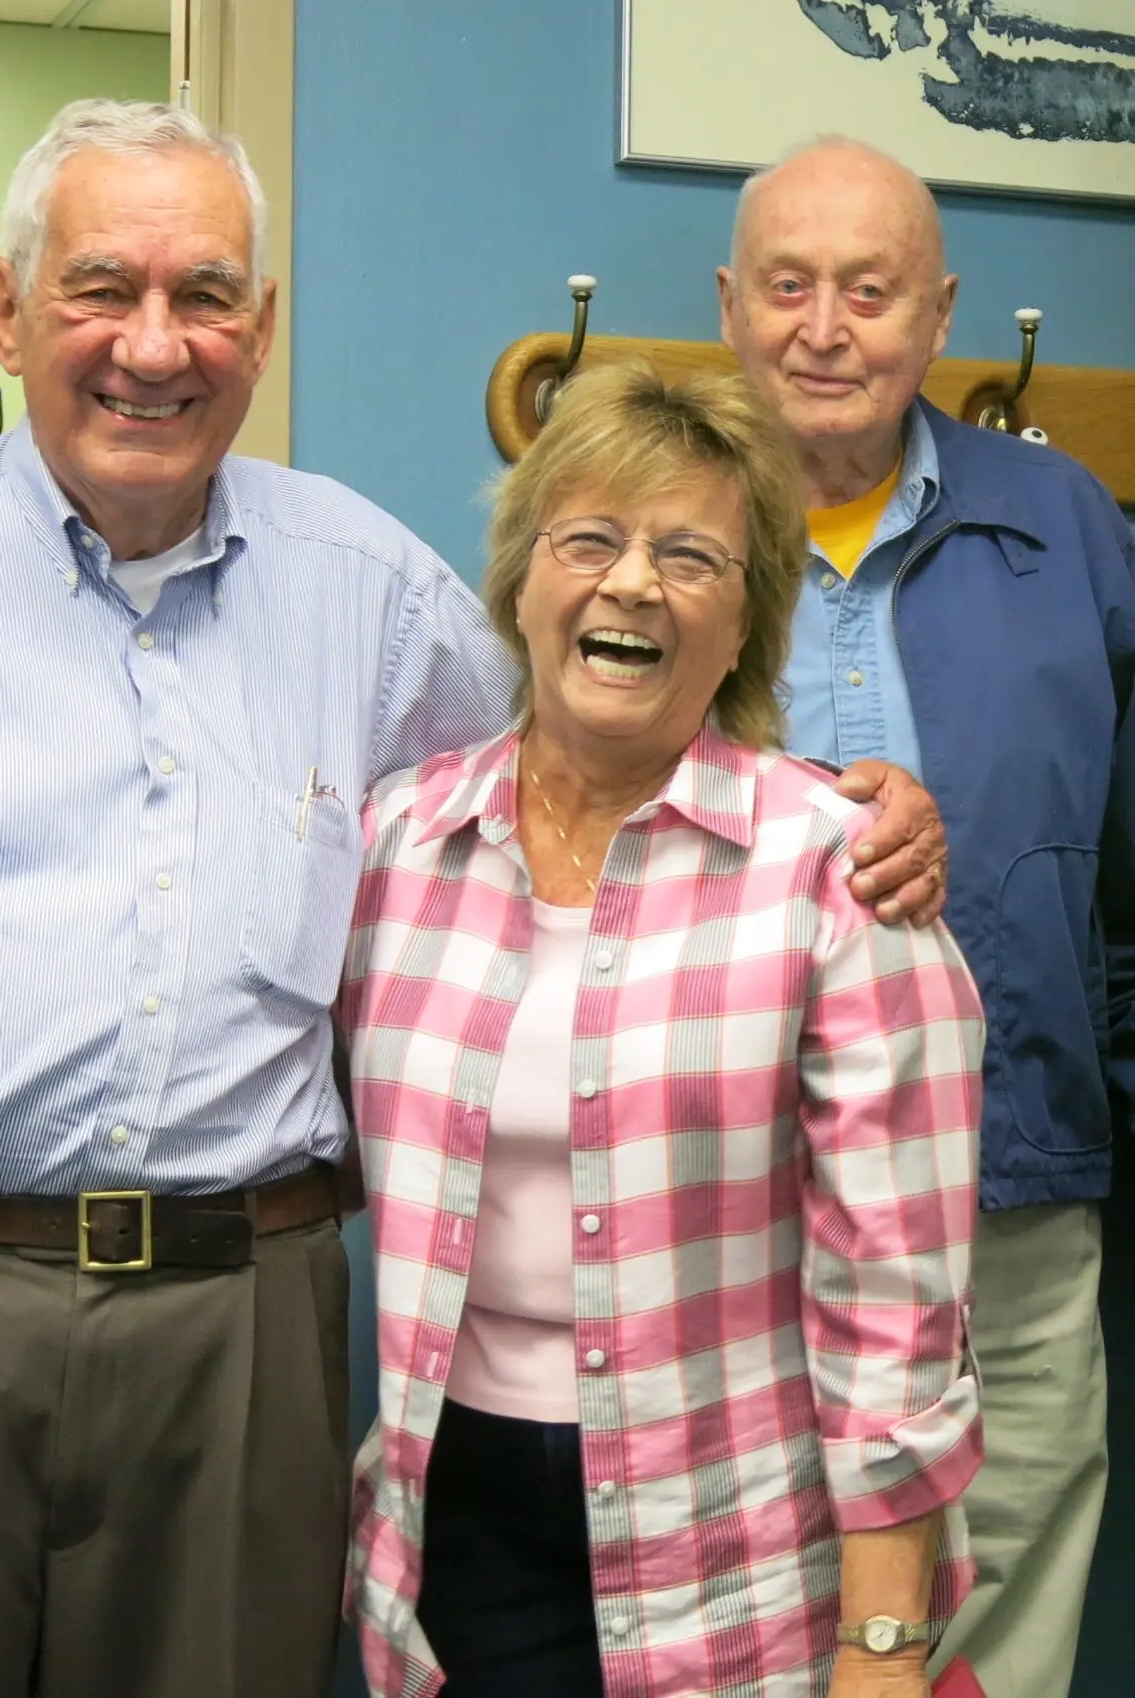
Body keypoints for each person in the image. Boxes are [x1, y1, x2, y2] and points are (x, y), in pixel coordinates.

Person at [0, 97, 945, 1697]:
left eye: (206, 295)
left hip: (237, 1331)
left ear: (260, 329)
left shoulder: (371, 589)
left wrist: (850, 798)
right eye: (101, 289)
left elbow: (599, 731)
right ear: (6, 310)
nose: (155, 343)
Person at [340, 362, 985, 1698]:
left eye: (689, 556)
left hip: (738, 1556)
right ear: (521, 582)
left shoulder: (837, 874)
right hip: (454, 1530)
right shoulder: (398, 844)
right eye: (589, 540)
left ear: (744, 619)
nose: (631, 582)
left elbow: (897, 1314)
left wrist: (879, 1651)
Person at [716, 134, 1135, 1698]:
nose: (825, 327)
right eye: (788, 285)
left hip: (1013, 1212)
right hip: (725, 1213)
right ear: (729, 305)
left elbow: (1127, 874)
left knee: (1003, 1613)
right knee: (757, 1614)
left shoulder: (1067, 522)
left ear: (938, 314)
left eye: (869, 290)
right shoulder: (652, 534)